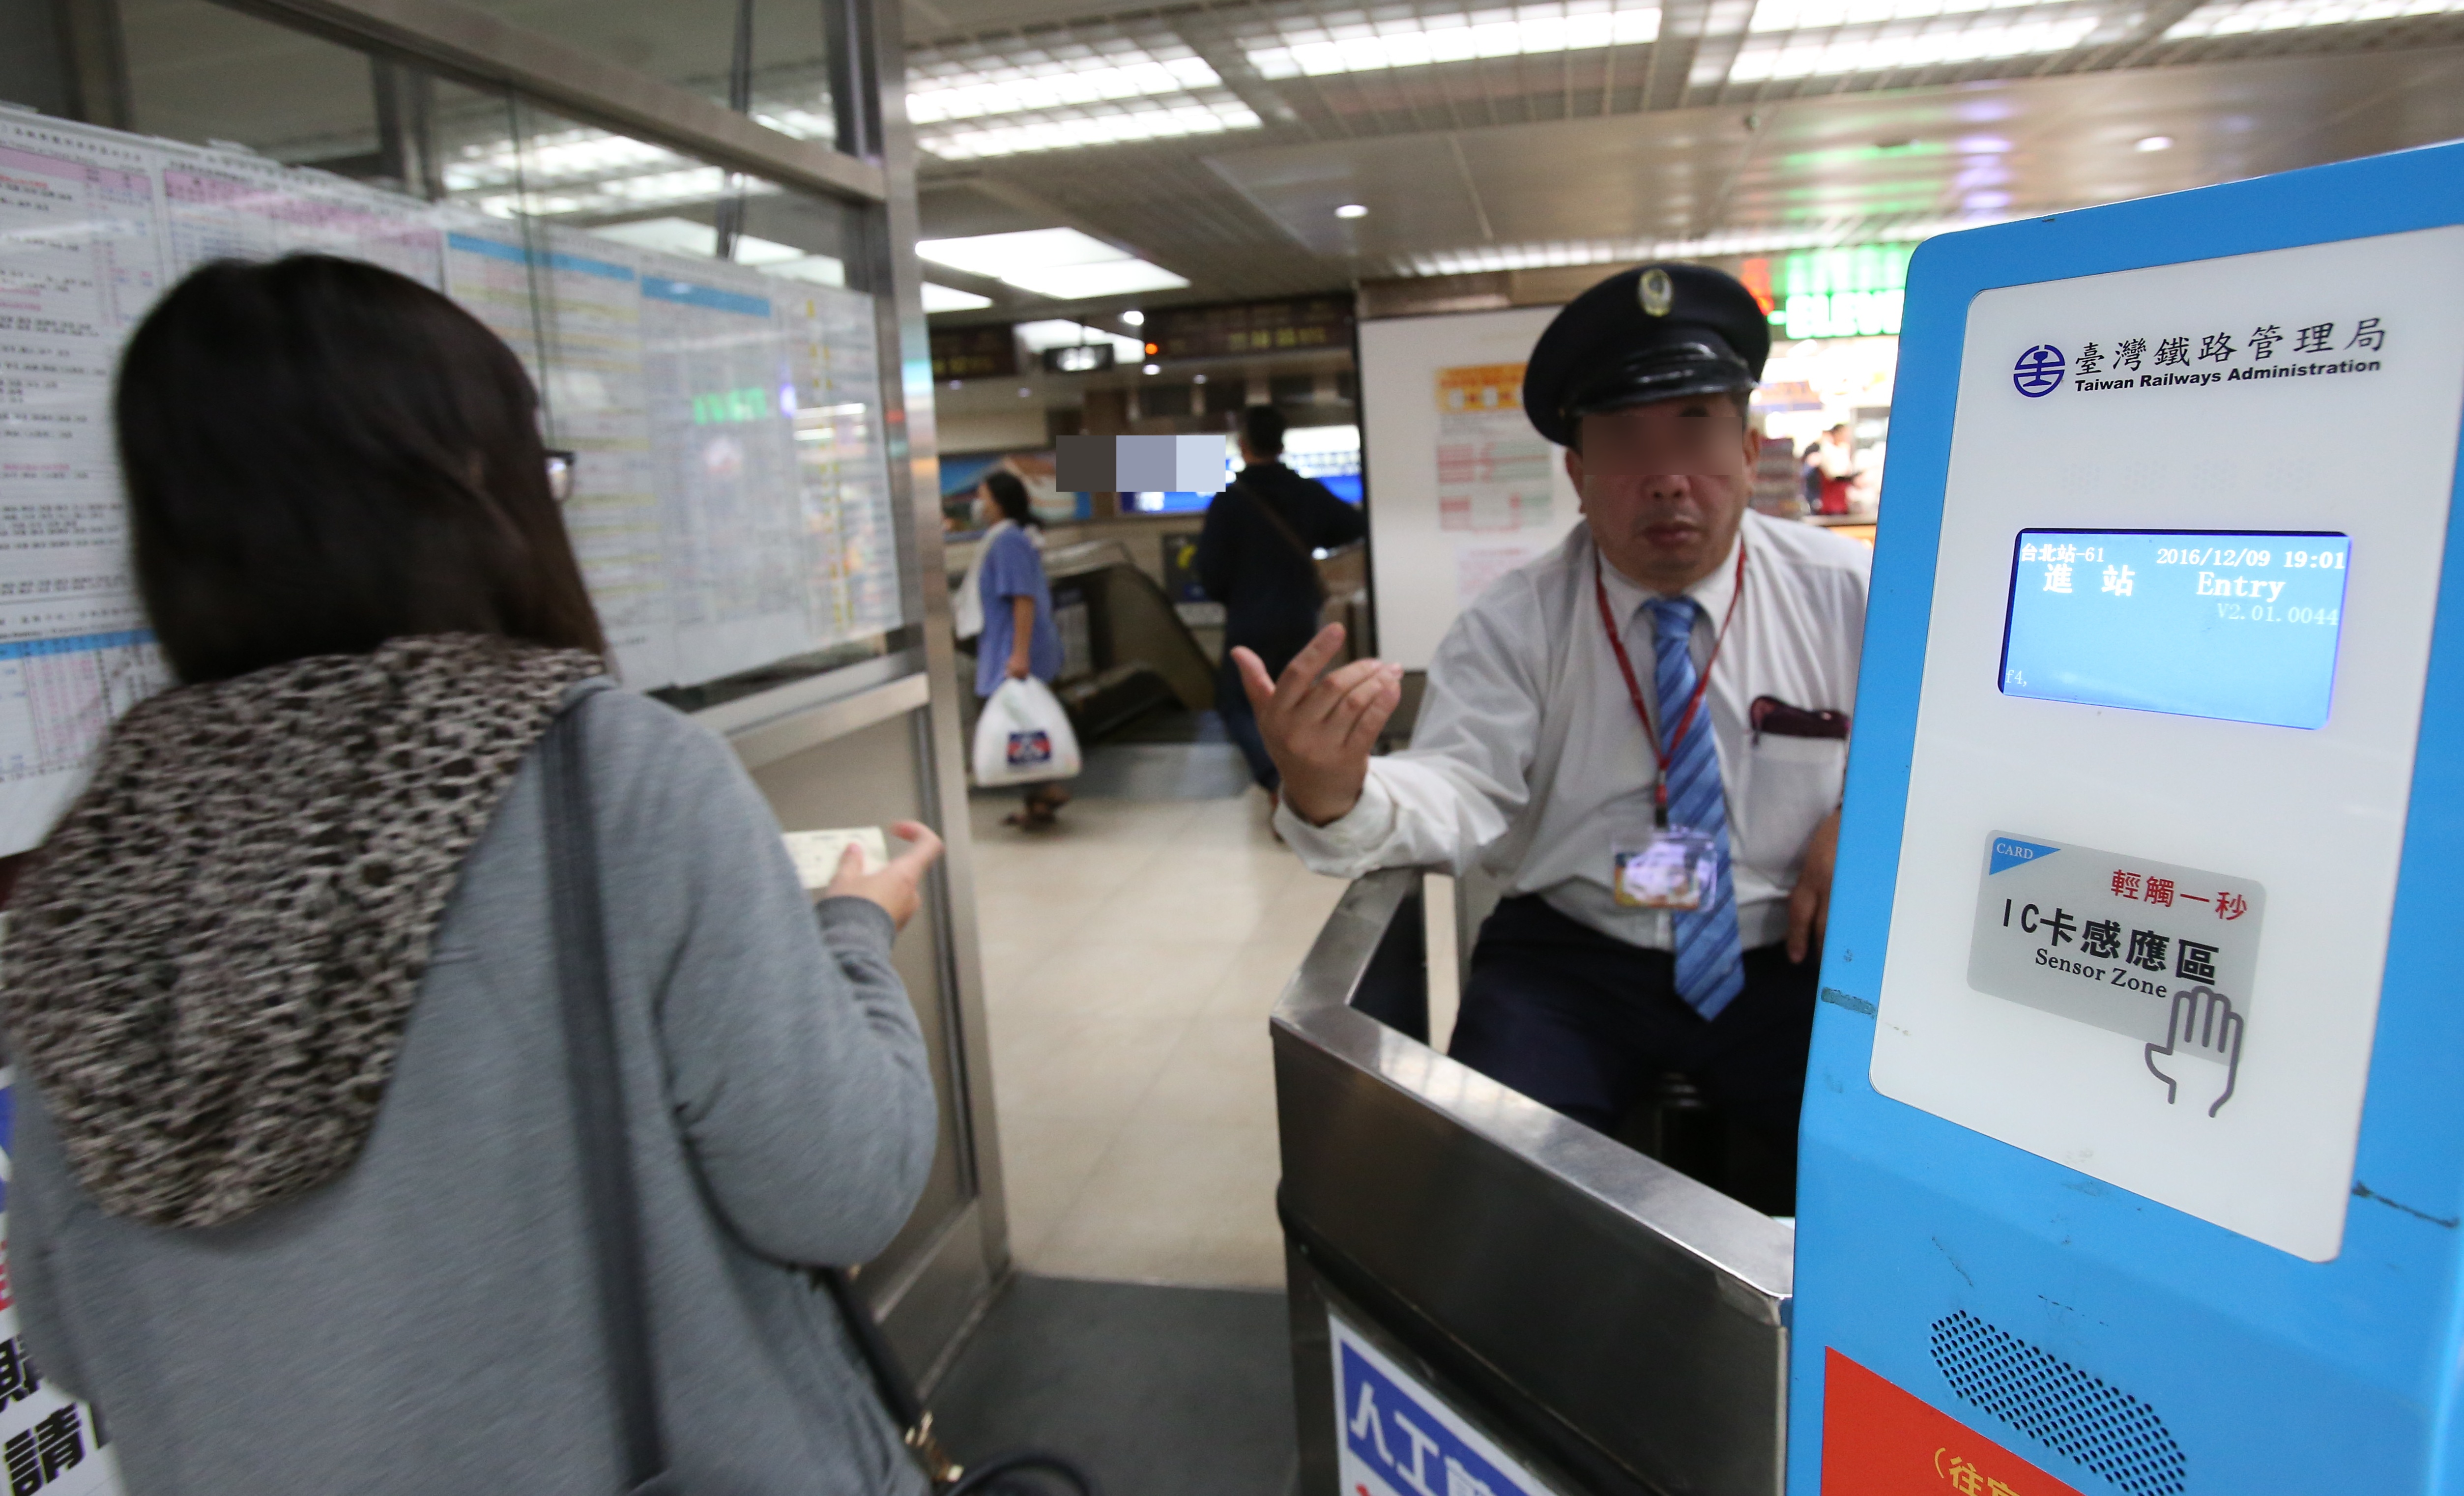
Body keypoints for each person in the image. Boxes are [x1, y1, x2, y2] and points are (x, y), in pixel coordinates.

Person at [0, 255, 944, 1495]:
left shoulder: (89, 866)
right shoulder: (604, 778)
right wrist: (854, 934)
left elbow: (76, 1330)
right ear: (476, 495)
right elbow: (843, 1183)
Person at [1233, 263, 1870, 1211]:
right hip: (1573, 952)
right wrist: (1335, 789)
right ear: (1577, 473)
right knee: (1490, 1179)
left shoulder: (1848, 592)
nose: (1665, 478)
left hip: (1788, 949)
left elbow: (1945, 756)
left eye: (1696, 429)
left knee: (1877, 1176)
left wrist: (1866, 815)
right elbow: (1458, 784)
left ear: (1745, 447)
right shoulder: (1513, 621)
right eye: (1623, 441)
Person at [1195, 404, 1366, 795]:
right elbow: (1353, 526)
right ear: (1281, 443)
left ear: (1243, 445)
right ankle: (1297, 779)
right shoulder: (1306, 492)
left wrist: (1231, 595)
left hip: (1248, 619)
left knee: (1237, 703)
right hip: (1299, 617)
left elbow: (1210, 570)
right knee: (1296, 701)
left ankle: (1275, 780)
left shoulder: (1229, 501)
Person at [966, 469, 1071, 828]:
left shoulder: (1008, 541)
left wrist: (1019, 654)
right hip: (1009, 643)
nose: (977, 504)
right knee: (1022, 721)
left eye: (982, 496)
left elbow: (1022, 600)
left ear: (998, 502)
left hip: (1014, 647)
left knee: (1019, 721)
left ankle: (1047, 789)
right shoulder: (1007, 538)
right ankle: (1037, 804)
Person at [1813, 422, 1861, 515]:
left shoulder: (1843, 450)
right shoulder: (1827, 450)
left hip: (1843, 500)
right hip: (1832, 503)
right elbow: (1832, 475)